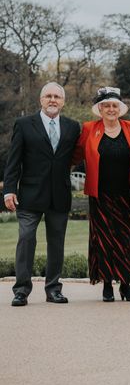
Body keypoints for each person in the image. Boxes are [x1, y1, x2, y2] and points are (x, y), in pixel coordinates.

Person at [4, 82, 81, 306]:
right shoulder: (24, 124)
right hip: (29, 195)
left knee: (56, 243)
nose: (52, 100)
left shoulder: (72, 127)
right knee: (26, 239)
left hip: (60, 195)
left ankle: (54, 289)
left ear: (63, 101)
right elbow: (13, 161)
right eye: (48, 96)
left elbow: (76, 157)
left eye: (57, 96)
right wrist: (9, 190)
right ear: (41, 100)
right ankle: (21, 290)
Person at [73, 87, 130, 302]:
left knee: (125, 239)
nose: (111, 109)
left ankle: (126, 284)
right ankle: (107, 284)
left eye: (115, 105)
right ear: (99, 109)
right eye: (107, 105)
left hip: (126, 195)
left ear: (120, 109)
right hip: (99, 195)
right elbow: (73, 155)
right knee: (102, 240)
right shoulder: (89, 128)